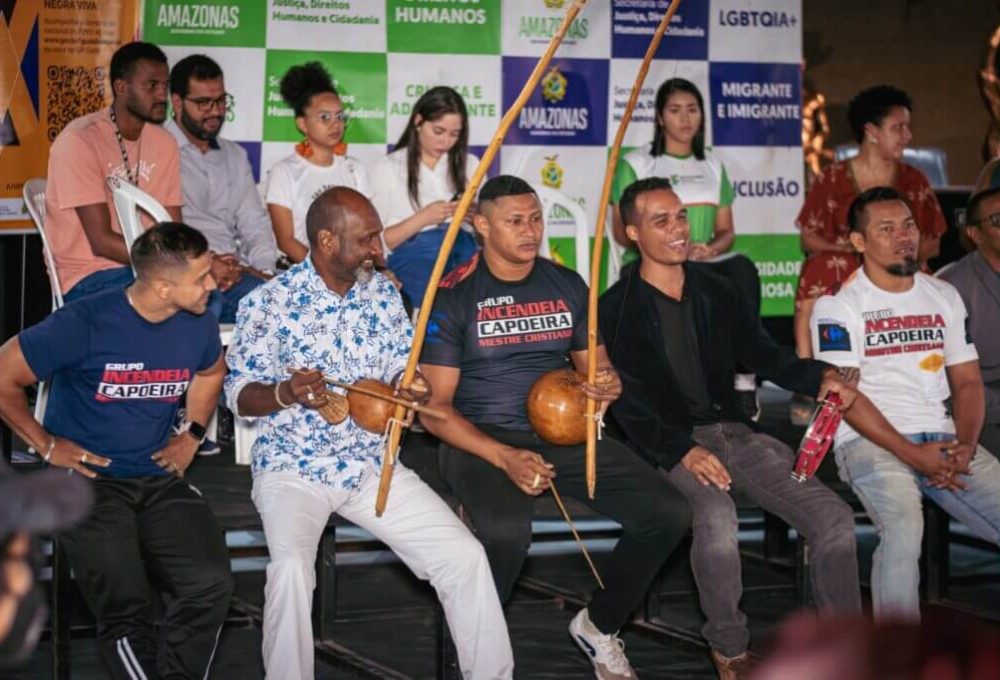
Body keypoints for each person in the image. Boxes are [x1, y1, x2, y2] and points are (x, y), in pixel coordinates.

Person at [225, 186, 513, 680]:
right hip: (294, 469)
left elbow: (405, 372)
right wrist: (286, 393)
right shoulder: (268, 303)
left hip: (371, 466)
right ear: (326, 240)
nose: (378, 250)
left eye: (378, 237)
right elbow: (238, 395)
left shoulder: (382, 292)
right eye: (367, 240)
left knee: (464, 557)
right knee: (291, 572)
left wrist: (413, 387)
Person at [418, 175, 692, 680]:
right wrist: (504, 457)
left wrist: (606, 388)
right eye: (515, 221)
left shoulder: (566, 284)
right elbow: (434, 411)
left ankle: (600, 626)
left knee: (669, 511)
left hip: (564, 433)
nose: (531, 231)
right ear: (481, 225)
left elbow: (598, 371)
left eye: (536, 218)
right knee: (503, 534)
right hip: (482, 440)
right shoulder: (453, 294)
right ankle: (473, 656)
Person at [600, 178, 861, 680]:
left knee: (832, 518)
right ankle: (730, 651)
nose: (678, 229)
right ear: (632, 233)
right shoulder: (616, 308)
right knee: (716, 520)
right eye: (661, 220)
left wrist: (819, 375)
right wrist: (680, 451)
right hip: (673, 444)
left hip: (738, 435)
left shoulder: (717, 288)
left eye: (680, 217)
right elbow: (626, 405)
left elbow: (764, 354)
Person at [0, 222, 233, 679]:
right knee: (127, 607)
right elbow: (3, 375)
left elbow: (210, 372)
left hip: (156, 474)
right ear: (164, 287)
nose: (212, 284)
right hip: (86, 481)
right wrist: (47, 447)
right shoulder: (83, 322)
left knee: (210, 583)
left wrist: (192, 434)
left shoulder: (198, 322)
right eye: (201, 277)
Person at [811, 186, 1000, 620]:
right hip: (869, 439)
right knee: (903, 528)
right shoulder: (839, 305)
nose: (904, 236)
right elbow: (845, 397)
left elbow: (968, 383)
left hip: (943, 437)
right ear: (859, 242)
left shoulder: (942, 295)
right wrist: (913, 454)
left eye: (909, 225)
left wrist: (966, 446)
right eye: (887, 228)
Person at [609, 77, 762, 420]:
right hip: (651, 261)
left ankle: (745, 380)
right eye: (675, 110)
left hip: (701, 261)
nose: (685, 118)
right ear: (660, 118)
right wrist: (667, 246)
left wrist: (706, 248)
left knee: (742, 271)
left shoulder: (712, 165)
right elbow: (623, 231)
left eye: (692, 109)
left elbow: (727, 232)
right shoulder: (637, 163)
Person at [794, 85, 946, 358]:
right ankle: (807, 374)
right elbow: (808, 237)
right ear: (871, 131)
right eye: (898, 128)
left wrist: (892, 254)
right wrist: (855, 250)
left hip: (901, 259)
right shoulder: (832, 177)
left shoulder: (915, 179)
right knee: (818, 269)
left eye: (907, 127)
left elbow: (933, 242)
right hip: (849, 256)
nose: (907, 136)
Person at [44, 41, 182, 303]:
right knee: (182, 298)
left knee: (215, 296)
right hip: (90, 276)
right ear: (121, 87)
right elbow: (102, 241)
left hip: (148, 268)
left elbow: (172, 229)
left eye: (165, 85)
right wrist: (178, 265)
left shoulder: (165, 143)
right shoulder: (80, 140)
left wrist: (195, 263)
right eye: (152, 86)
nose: (162, 96)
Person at [167, 54, 277, 323]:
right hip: (184, 272)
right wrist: (207, 264)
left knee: (289, 299)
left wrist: (264, 271)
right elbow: (161, 231)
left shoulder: (235, 155)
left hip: (236, 272)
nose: (215, 111)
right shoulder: (160, 151)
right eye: (203, 103)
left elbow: (255, 223)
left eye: (221, 101)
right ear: (177, 102)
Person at [371, 86, 479, 307]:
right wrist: (424, 218)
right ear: (418, 121)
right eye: (438, 132)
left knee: (480, 280)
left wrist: (475, 218)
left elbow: (485, 235)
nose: (446, 142)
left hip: (463, 249)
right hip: (415, 255)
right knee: (436, 291)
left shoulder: (471, 165)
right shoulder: (389, 167)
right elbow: (378, 242)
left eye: (454, 134)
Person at [265, 62, 372, 264]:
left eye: (339, 117)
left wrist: (378, 270)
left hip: (351, 271)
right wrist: (326, 271)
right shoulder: (284, 172)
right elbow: (286, 241)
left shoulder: (355, 169)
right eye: (324, 117)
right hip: (302, 269)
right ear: (302, 123)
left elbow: (369, 232)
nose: (335, 124)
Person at [940, 186, 1000, 455]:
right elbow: (952, 380)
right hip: (979, 402)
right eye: (998, 220)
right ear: (975, 234)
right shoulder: (952, 287)